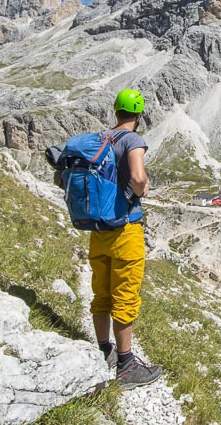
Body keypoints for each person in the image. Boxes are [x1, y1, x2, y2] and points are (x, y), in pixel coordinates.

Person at [88, 88, 163, 388]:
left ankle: (102, 350)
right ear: (138, 115)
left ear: (115, 111)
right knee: (125, 297)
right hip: (125, 230)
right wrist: (141, 190)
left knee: (101, 295)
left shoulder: (100, 138)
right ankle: (127, 366)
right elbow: (139, 177)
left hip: (98, 231)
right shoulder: (132, 140)